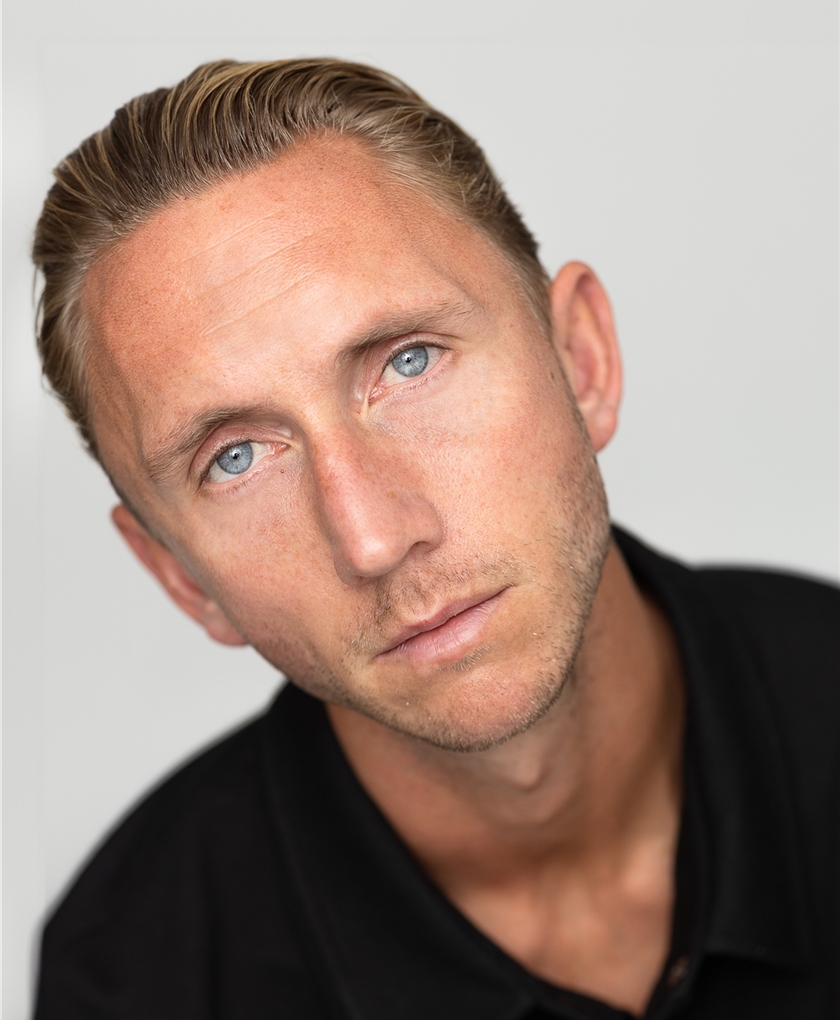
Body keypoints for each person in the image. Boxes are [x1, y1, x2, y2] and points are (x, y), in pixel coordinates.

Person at [31, 58, 838, 1020]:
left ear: (580, 359)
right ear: (180, 575)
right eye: (237, 458)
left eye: (409, 363)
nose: (373, 538)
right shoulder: (136, 980)